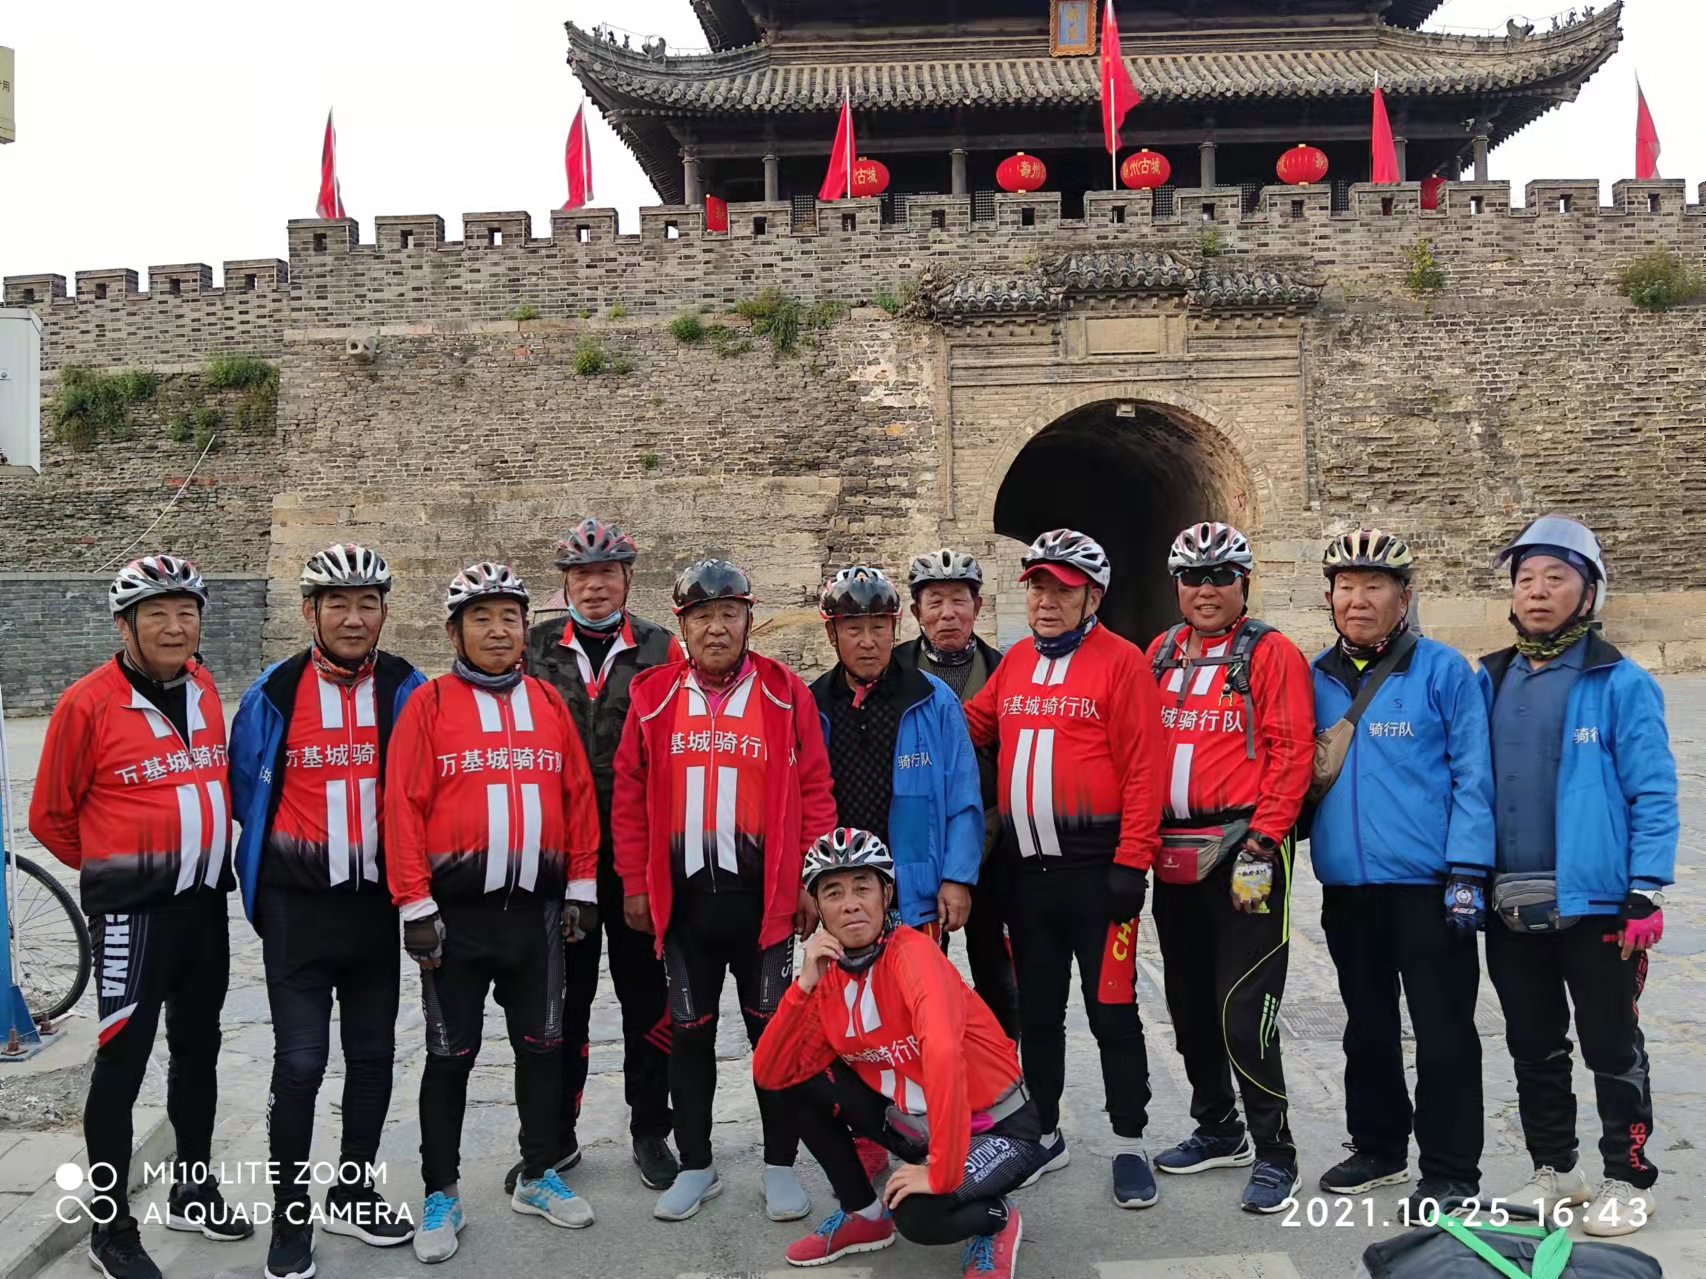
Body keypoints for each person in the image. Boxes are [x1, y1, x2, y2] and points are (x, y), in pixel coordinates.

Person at [29, 555, 252, 1279]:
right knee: (122, 1066)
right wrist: (120, 868)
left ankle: (193, 1188)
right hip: (134, 917)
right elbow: (51, 816)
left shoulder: (204, 685)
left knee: (198, 1050)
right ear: (125, 625)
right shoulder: (86, 703)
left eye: (186, 612)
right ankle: (111, 1228)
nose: (174, 626)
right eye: (156, 613)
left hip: (204, 908)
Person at [385, 562, 602, 1263]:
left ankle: (537, 1173)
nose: (498, 630)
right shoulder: (428, 705)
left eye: (510, 616)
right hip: (456, 917)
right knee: (450, 1056)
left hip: (537, 914)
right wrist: (415, 903)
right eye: (481, 617)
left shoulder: (547, 702)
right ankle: (441, 1192)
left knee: (543, 1047)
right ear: (455, 632)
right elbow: (403, 807)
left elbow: (578, 797)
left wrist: (582, 888)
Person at [612, 558, 837, 1223]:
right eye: (702, 616)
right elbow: (628, 794)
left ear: (748, 619)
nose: (716, 628)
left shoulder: (784, 692)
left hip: (763, 904)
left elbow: (815, 788)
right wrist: (634, 882)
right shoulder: (653, 695)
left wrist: (813, 880)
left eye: (729, 614)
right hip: (685, 905)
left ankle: (779, 1166)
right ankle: (697, 1164)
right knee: (689, 1036)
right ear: (682, 625)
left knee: (774, 1037)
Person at [229, 544, 424, 1278]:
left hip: (374, 909)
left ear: (384, 612)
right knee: (301, 1063)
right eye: (336, 603)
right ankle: (290, 1217)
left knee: (373, 1057)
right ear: (309, 610)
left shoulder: (407, 686)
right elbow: (246, 789)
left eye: (367, 603)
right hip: (297, 910)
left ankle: (354, 1191)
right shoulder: (273, 691)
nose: (352, 617)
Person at [1478, 516, 1676, 1237]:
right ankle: (1555, 1167)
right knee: (1533, 1044)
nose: (1537, 591)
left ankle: (1629, 1176)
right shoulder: (1489, 677)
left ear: (1588, 592)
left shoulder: (1620, 681)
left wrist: (1645, 886)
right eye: (1526, 578)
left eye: (1555, 578)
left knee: (1611, 1046)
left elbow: (1653, 790)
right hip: (1511, 899)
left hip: (1597, 904)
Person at [963, 529, 1165, 1209]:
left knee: (1113, 1012)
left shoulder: (1123, 662)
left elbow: (1144, 770)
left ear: (1093, 597)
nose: (1046, 601)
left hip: (1098, 877)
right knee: (1040, 1012)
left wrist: (1132, 863)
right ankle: (1045, 1130)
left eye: (1063, 590)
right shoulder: (1017, 661)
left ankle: (1129, 1139)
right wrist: (910, 705)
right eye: (1038, 588)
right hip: (1029, 880)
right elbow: (973, 724)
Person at [1308, 530, 1494, 1215]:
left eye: (1374, 586)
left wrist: (1468, 869)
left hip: (1429, 887)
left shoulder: (1444, 672)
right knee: (1367, 1026)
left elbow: (1474, 775)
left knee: (1444, 1031)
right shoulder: (1314, 677)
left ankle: (1451, 1170)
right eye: (1345, 587)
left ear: (1405, 596)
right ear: (1330, 597)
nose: (1357, 600)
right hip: (1349, 886)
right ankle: (1378, 1146)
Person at [754, 829, 1036, 1278]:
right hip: (919, 1122)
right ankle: (864, 1216)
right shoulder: (828, 976)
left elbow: (942, 1054)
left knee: (920, 1217)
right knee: (797, 1081)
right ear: (817, 906)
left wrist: (942, 1172)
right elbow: (771, 1074)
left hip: (999, 1127)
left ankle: (997, 1219)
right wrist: (804, 985)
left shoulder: (913, 954)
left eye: (862, 888)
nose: (850, 904)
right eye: (833, 892)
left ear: (886, 895)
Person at [1145, 523, 1314, 1213]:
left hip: (1247, 850)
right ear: (1177, 585)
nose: (1206, 589)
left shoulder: (1271, 653)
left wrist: (1265, 839)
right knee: (1188, 1004)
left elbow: (1291, 749)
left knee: (1244, 1008)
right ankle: (1218, 1127)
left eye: (1221, 576)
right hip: (1174, 850)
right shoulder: (1161, 652)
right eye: (1193, 576)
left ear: (1244, 582)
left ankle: (1276, 1151)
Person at [518, 519, 684, 1195]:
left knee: (647, 998)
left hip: (637, 852)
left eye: (606, 572)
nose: (594, 586)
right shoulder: (532, 650)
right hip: (562, 856)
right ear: (564, 584)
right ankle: (557, 1134)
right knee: (565, 1000)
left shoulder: (663, 649)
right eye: (581, 574)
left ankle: (651, 1130)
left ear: (627, 578)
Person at [893, 549, 1020, 1041]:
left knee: (999, 974)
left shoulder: (1004, 670)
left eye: (959, 601)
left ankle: (1005, 1066)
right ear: (916, 611)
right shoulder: (894, 671)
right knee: (919, 972)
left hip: (991, 841)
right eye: (935, 602)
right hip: (917, 846)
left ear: (978, 607)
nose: (948, 614)